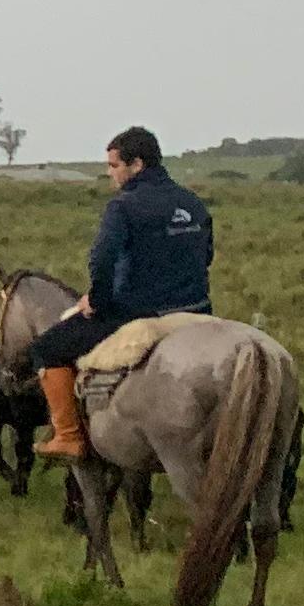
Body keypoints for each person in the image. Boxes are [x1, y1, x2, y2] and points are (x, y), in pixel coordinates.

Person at [33, 127, 212, 458]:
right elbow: (208, 256)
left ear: (137, 164)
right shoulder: (192, 202)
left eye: (114, 166)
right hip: (197, 309)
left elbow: (101, 260)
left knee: (46, 349)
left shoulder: (124, 207)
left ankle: (68, 436)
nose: (109, 173)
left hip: (139, 312)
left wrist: (97, 301)